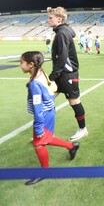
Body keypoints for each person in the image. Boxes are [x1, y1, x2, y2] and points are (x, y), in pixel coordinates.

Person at [20, 51, 80, 186]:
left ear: (31, 65)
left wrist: (38, 125)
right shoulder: (41, 73)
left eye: (21, 63)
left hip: (43, 115)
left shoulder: (35, 83)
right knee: (45, 138)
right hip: (49, 111)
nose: (20, 65)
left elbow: (37, 106)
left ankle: (45, 172)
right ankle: (72, 146)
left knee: (38, 143)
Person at [47, 7, 88, 142]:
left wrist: (52, 76)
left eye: (50, 17)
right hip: (63, 74)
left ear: (59, 18)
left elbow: (63, 58)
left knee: (74, 101)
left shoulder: (62, 33)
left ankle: (83, 129)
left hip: (67, 74)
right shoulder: (62, 32)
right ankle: (46, 132)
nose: (48, 20)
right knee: (47, 100)